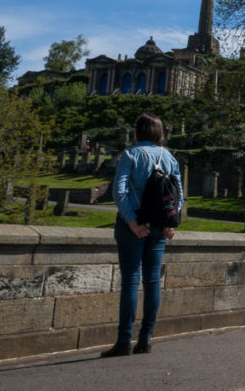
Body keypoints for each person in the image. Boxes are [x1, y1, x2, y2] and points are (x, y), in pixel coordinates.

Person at [102, 112, 183, 357]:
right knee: (152, 282)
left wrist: (132, 221)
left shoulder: (130, 154)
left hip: (133, 227)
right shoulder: (169, 157)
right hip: (160, 228)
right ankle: (146, 339)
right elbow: (177, 194)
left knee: (130, 281)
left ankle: (124, 342)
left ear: (138, 132)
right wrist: (171, 222)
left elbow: (119, 191)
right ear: (160, 133)